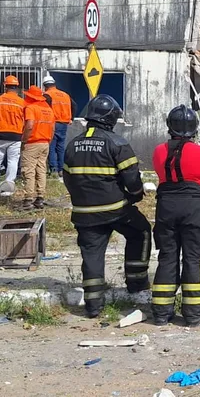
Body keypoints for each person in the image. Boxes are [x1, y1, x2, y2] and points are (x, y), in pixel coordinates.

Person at [64, 95, 151, 318]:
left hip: (84, 212)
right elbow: (132, 181)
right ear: (111, 119)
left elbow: (68, 179)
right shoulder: (117, 143)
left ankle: (93, 306)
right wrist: (136, 196)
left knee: (92, 254)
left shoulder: (73, 145)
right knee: (140, 230)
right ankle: (136, 282)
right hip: (116, 209)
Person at [151, 105, 200, 326]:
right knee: (193, 258)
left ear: (170, 126)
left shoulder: (159, 150)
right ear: (194, 128)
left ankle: (161, 312)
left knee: (167, 257)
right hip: (193, 208)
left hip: (166, 207)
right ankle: (193, 313)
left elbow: (161, 174)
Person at [0, 75, 25, 191]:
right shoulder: (22, 102)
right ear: (17, 87)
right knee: (13, 160)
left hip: (0, 134)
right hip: (16, 135)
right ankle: (9, 184)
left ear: (5, 86)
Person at [21, 86, 55, 210]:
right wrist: (48, 141)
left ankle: (28, 199)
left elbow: (29, 125)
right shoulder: (49, 110)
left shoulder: (31, 108)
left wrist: (24, 139)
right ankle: (40, 198)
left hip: (32, 142)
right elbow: (52, 128)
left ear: (30, 96)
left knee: (28, 170)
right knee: (41, 170)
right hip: (45, 143)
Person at [42, 74, 76, 179]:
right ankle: (61, 169)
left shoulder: (47, 95)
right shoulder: (65, 95)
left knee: (51, 147)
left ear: (45, 86)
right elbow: (74, 105)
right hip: (64, 123)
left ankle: (54, 170)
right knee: (60, 147)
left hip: (53, 123)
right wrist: (71, 118)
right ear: (54, 84)